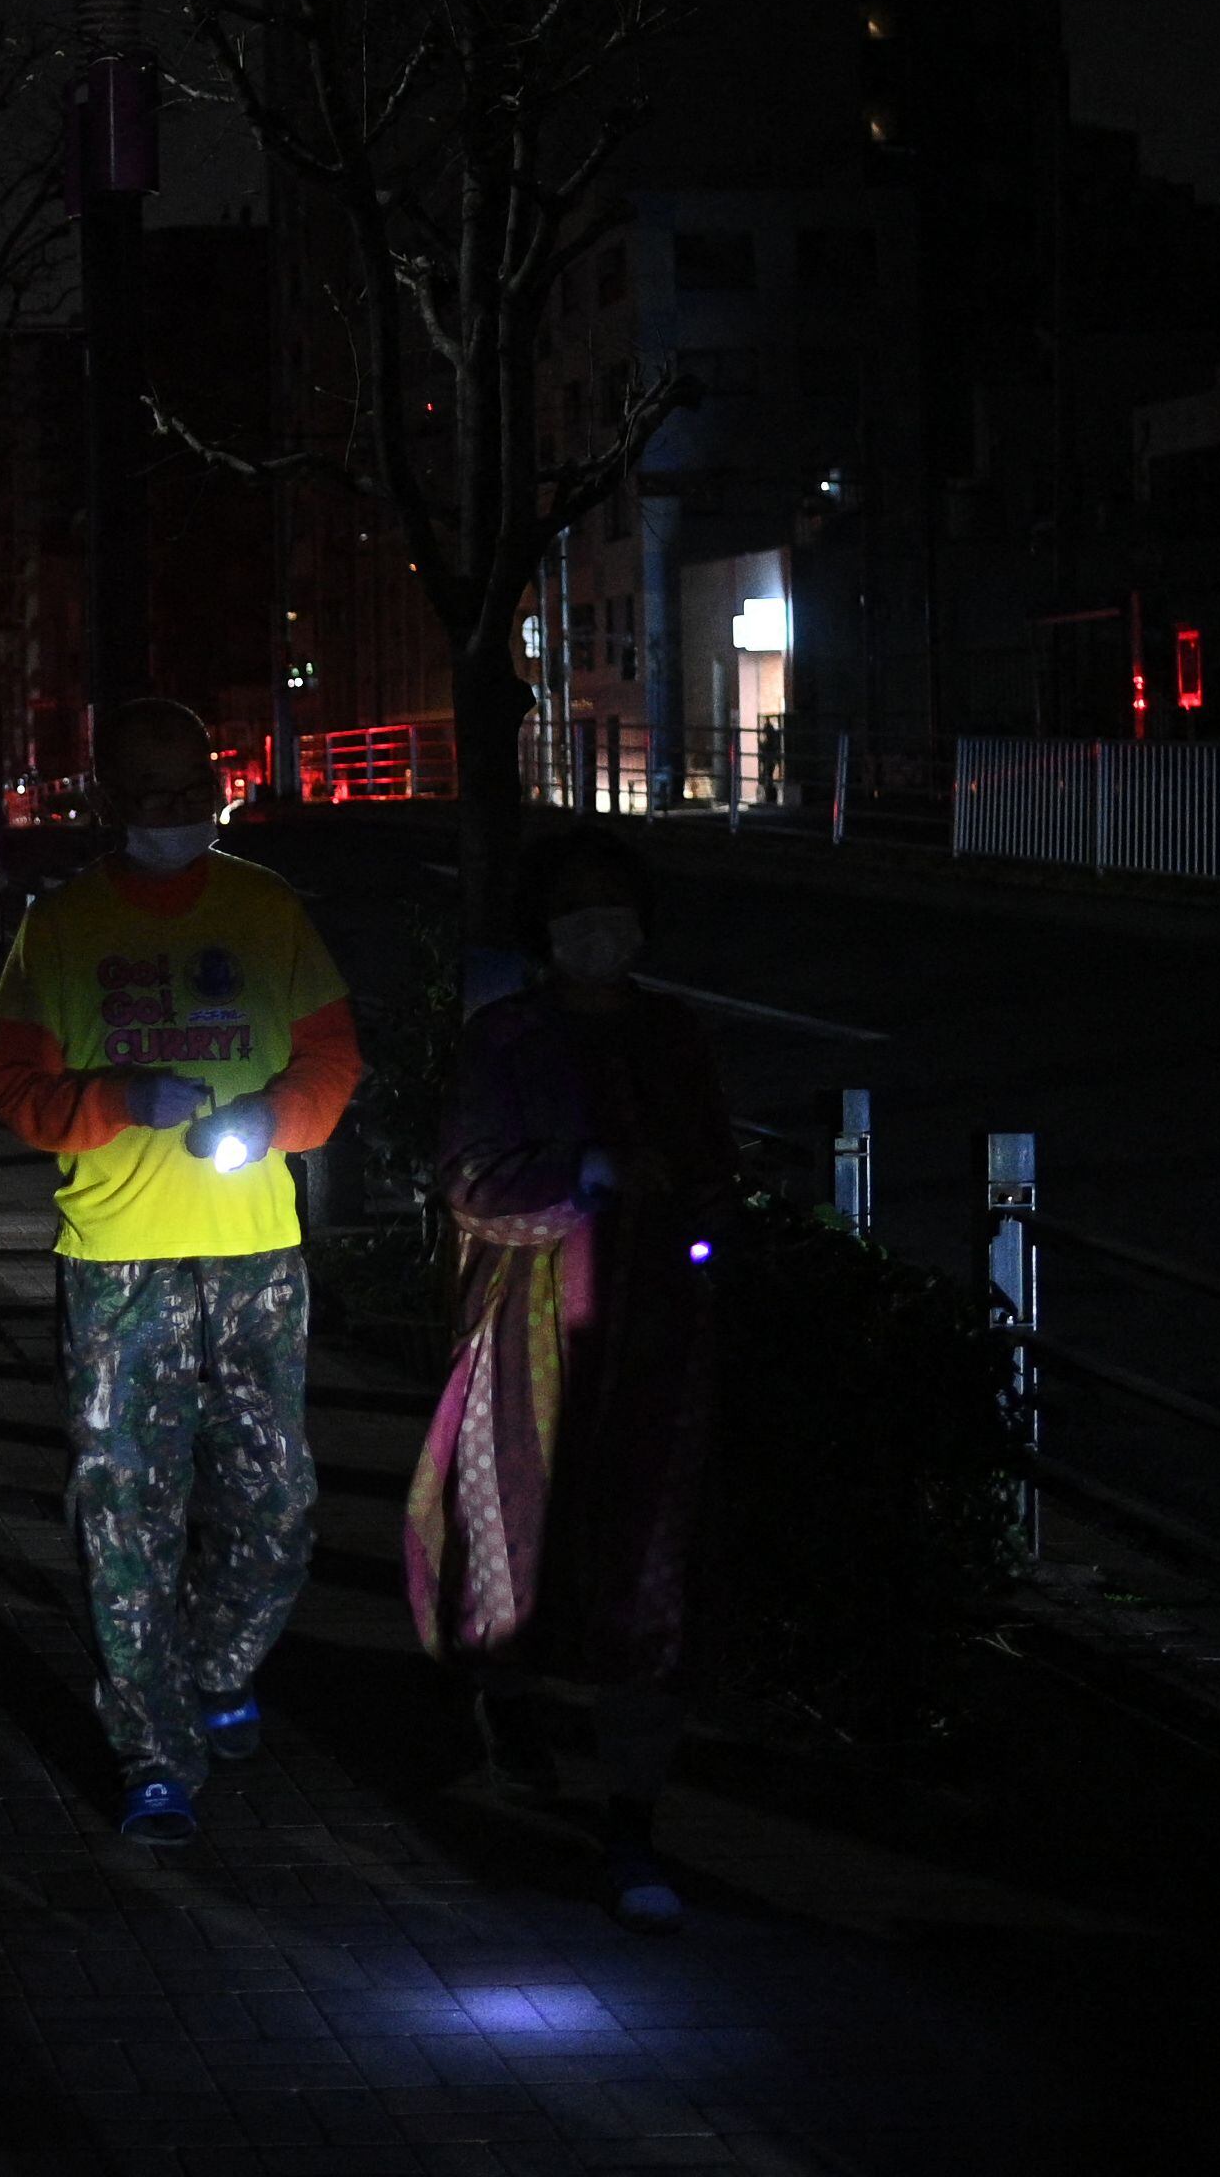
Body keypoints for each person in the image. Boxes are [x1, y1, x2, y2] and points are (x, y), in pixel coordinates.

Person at [0, 698, 364, 1846]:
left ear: (213, 790)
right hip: (120, 1261)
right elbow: (15, 1086)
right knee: (124, 1513)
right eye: (144, 800)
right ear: (108, 803)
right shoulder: (61, 926)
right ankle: (154, 1748)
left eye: (187, 796)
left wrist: (278, 1116)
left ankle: (211, 1664)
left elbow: (333, 1053)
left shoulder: (264, 907)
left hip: (255, 1253)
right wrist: (113, 1101)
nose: (167, 819)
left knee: (277, 1503)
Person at [404, 826, 734, 1932]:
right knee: (519, 1536)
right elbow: (469, 1179)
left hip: (657, 1343)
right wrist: (576, 1178)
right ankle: (511, 1720)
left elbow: (712, 1169)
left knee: (648, 1563)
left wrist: (696, 1213)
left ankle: (633, 1814)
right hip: (530, 1333)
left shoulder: (673, 1033)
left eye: (618, 907)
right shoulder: (509, 1039)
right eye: (577, 908)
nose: (602, 928)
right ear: (544, 928)